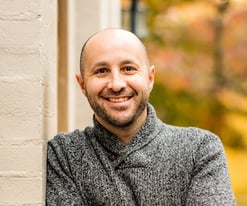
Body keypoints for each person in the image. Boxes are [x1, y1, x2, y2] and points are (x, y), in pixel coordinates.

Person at [46, 28, 235, 205]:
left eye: (128, 68)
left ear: (150, 78)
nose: (116, 84)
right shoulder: (63, 155)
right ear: (82, 85)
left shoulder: (200, 150)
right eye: (101, 71)